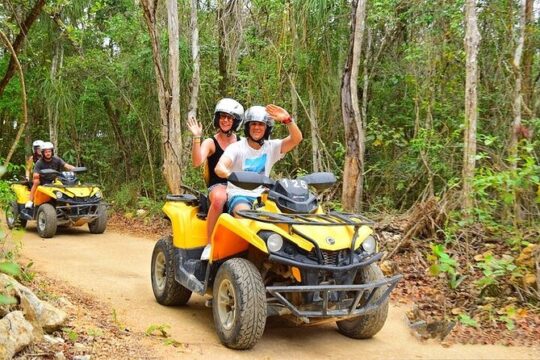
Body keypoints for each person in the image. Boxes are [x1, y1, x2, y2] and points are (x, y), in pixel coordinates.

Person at [215, 104, 302, 217]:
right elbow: (219, 168)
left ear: (267, 128)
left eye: (261, 124)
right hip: (240, 194)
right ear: (248, 127)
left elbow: (297, 139)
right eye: (253, 124)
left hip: (264, 196)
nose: (257, 127)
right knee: (245, 215)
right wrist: (231, 175)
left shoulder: (272, 147)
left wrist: (288, 120)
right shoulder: (236, 147)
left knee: (283, 220)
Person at [187, 98, 244, 246]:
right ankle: (209, 243)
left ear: (235, 121)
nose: (225, 120)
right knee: (220, 198)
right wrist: (196, 137)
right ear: (217, 119)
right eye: (222, 117)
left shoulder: (241, 142)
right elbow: (197, 162)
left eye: (229, 118)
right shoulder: (211, 142)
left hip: (238, 186)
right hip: (218, 185)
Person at [26, 141, 75, 208]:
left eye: (49, 151)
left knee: (69, 181)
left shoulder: (57, 159)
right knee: (36, 181)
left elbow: (66, 165)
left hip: (56, 179)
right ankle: (30, 201)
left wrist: (75, 169)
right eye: (46, 152)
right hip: (43, 180)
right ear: (43, 153)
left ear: (52, 152)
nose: (48, 153)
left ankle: (74, 201)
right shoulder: (39, 162)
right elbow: (34, 172)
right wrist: (35, 176)